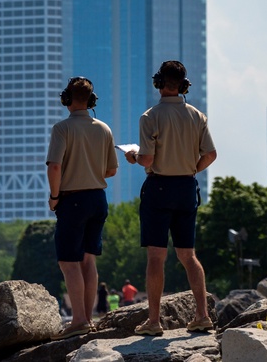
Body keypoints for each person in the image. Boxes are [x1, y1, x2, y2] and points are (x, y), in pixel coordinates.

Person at [123, 60, 217, 336]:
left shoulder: (150, 116)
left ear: (158, 83)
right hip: (187, 188)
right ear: (184, 86)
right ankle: (202, 315)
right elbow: (210, 154)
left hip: (159, 189)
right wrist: (190, 169)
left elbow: (147, 159)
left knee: (156, 256)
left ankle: (154, 321)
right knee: (188, 255)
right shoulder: (198, 116)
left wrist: (133, 157)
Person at [46, 76, 118, 339]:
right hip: (98, 198)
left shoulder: (62, 129)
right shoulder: (104, 129)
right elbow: (111, 170)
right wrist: (90, 169)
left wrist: (55, 196)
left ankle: (77, 321)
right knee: (89, 260)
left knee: (68, 262)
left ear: (67, 99)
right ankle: (87, 319)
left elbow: (54, 166)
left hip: (72, 199)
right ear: (91, 100)